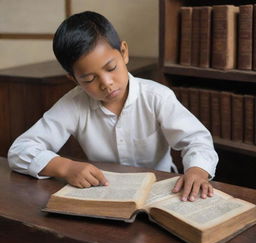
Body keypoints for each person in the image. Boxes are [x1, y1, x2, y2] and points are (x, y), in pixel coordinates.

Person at [8, 11, 218, 202]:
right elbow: (20, 151)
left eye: (111, 68)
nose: (106, 83)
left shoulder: (156, 97)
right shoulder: (74, 103)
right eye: (89, 79)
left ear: (124, 52)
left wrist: (197, 170)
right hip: (105, 192)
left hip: (162, 191)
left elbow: (196, 139)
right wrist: (64, 167)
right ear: (73, 79)